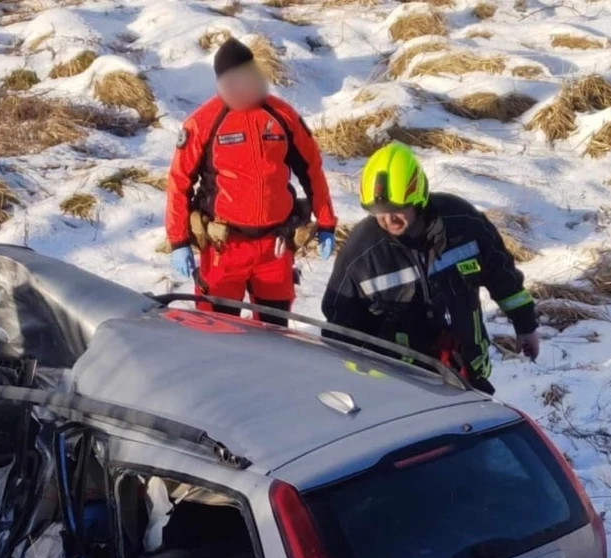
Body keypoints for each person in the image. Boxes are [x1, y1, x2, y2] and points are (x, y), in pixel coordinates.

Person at [321, 142, 538, 392]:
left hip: (467, 372)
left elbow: (502, 275)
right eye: (379, 213)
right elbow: (340, 324)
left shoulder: (463, 223)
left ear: (418, 199)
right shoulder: (362, 252)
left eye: (397, 211)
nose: (388, 220)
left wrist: (525, 325)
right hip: (402, 384)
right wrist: (369, 375)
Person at [165, 37, 336, 317]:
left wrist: (327, 221)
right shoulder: (204, 122)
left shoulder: (282, 116)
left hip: (275, 247)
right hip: (225, 247)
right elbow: (179, 182)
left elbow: (311, 169)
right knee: (215, 333)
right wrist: (178, 241)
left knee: (274, 337)